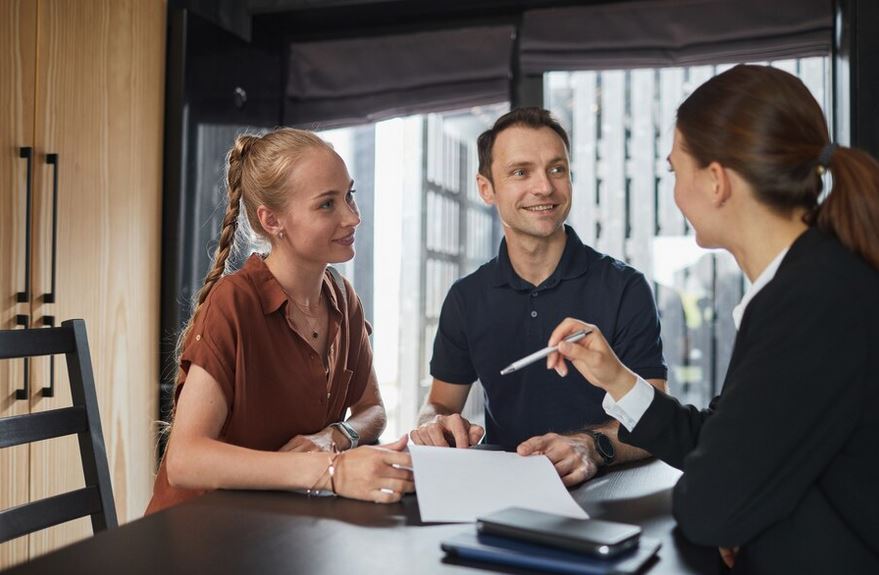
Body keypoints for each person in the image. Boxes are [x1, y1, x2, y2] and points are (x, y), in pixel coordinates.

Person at [547, 65, 879, 574]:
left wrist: (746, 521)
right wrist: (617, 378)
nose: (677, 192)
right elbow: (721, 442)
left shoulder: (813, 301)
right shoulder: (810, 283)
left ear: (717, 180)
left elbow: (709, 505)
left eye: (675, 171)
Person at [146, 128, 413, 514]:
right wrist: (331, 471)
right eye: (327, 205)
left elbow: (372, 410)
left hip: (282, 520)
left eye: (349, 196)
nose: (352, 217)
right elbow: (186, 461)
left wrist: (333, 436)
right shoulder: (234, 302)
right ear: (272, 221)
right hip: (202, 530)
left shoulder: (343, 298)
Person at [410, 108, 668, 486]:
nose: (545, 187)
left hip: (609, 490)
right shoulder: (466, 298)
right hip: (503, 490)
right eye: (520, 172)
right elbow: (441, 404)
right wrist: (432, 425)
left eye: (557, 169)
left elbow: (658, 418)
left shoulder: (625, 287)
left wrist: (590, 446)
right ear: (486, 189)